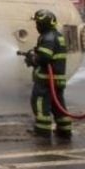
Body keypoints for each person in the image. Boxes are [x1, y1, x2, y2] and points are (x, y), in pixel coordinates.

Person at [22, 9, 72, 141]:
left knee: (40, 104)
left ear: (44, 24)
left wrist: (32, 59)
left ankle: (42, 131)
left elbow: (44, 57)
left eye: (38, 23)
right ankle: (65, 130)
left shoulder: (48, 37)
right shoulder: (57, 36)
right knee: (58, 106)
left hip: (46, 80)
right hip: (57, 79)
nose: (36, 26)